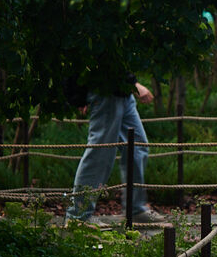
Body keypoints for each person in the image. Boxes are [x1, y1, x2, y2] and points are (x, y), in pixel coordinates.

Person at [65, 79, 167, 226]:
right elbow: (103, 60)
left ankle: (135, 210)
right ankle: (78, 217)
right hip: (105, 92)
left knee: (137, 147)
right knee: (100, 153)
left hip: (123, 94)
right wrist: (134, 84)